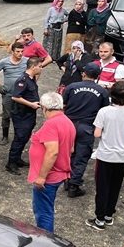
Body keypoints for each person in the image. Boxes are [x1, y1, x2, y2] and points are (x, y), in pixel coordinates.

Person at [86, 82, 124, 230]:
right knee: (115, 187)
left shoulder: (104, 112)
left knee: (102, 188)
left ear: (111, 95)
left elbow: (97, 133)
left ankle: (99, 219)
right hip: (123, 156)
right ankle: (109, 214)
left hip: (106, 155)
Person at [28, 92, 76, 233]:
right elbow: (71, 149)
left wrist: (41, 176)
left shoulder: (51, 124)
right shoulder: (67, 121)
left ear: (44, 108)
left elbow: (52, 151)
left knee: (43, 212)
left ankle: (46, 242)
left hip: (49, 177)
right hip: (59, 173)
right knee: (45, 209)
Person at [62, 62, 110, 197]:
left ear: (83, 73)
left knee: (67, 153)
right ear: (98, 75)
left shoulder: (72, 87)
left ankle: (67, 179)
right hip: (87, 127)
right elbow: (104, 111)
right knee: (81, 157)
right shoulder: (102, 91)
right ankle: (74, 185)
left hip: (69, 125)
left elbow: (63, 105)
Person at [7, 57, 44, 175]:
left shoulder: (31, 79)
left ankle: (17, 158)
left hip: (29, 114)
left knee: (25, 137)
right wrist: (31, 104)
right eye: (40, 66)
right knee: (20, 137)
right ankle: (11, 163)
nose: (41, 68)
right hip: (21, 114)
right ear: (33, 67)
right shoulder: (23, 80)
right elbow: (15, 97)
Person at [0, 42, 28, 145]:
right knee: (6, 116)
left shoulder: (27, 61)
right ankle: (5, 136)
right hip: (8, 94)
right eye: (18, 51)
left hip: (22, 95)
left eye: (22, 51)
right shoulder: (4, 62)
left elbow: (35, 71)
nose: (20, 53)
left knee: (21, 116)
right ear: (12, 52)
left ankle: (19, 136)